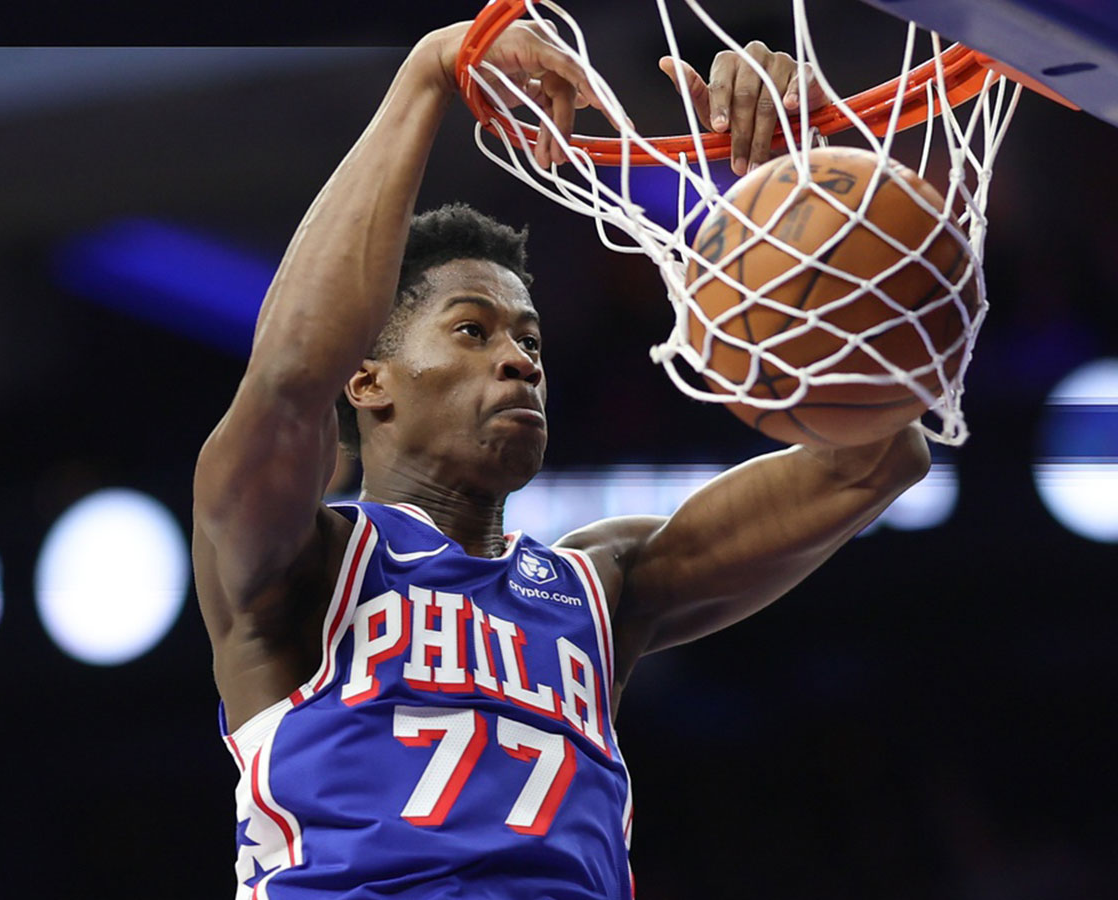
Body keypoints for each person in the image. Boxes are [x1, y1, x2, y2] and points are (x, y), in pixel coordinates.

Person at [192, 19, 927, 899]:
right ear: (368, 379)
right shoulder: (296, 564)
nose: (519, 359)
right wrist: (432, 70)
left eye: (530, 338)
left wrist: (800, 191)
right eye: (473, 330)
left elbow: (877, 457)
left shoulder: (601, 586)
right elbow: (285, 377)